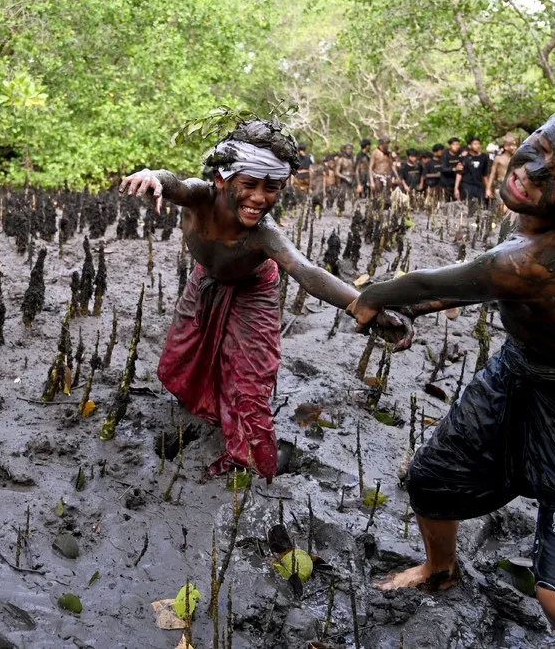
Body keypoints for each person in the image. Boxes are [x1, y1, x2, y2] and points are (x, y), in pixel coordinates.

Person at [347, 79, 555, 649]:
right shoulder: (533, 235)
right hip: (522, 371)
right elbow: (468, 289)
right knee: (430, 481)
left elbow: (444, 281)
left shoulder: (547, 253)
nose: (531, 170)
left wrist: (376, 295)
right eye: (544, 145)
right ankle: (440, 568)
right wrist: (409, 308)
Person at [118, 120, 412, 481]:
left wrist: (367, 305)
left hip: (253, 290)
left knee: (249, 381)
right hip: (205, 281)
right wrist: (153, 177)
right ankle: (205, 410)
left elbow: (307, 272)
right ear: (222, 179)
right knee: (183, 358)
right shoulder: (200, 196)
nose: (260, 198)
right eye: (249, 185)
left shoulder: (264, 235)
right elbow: (174, 183)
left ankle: (251, 463)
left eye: (272, 188)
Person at [455, 136, 491, 215]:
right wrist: (456, 188)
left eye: (478, 144)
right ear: (469, 146)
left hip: (479, 185)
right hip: (466, 185)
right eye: (475, 144)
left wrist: (488, 189)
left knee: (481, 207)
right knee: (467, 207)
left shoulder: (484, 157)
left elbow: (485, 174)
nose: (477, 146)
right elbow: (459, 173)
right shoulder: (464, 157)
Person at [486, 133, 518, 207]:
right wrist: (488, 189)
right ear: (506, 147)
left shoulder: (516, 159)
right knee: (502, 208)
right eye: (512, 145)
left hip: (513, 186)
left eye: (515, 145)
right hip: (500, 186)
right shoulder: (498, 159)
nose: (515, 147)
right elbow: (492, 174)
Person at [369, 135, 398, 205]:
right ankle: (377, 211)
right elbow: (370, 168)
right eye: (386, 143)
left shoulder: (389, 153)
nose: (388, 145)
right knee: (378, 196)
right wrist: (371, 181)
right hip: (378, 176)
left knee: (388, 196)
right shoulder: (375, 152)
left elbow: (392, 165)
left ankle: (386, 211)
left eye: (388, 143)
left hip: (388, 176)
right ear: (381, 143)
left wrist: (397, 176)